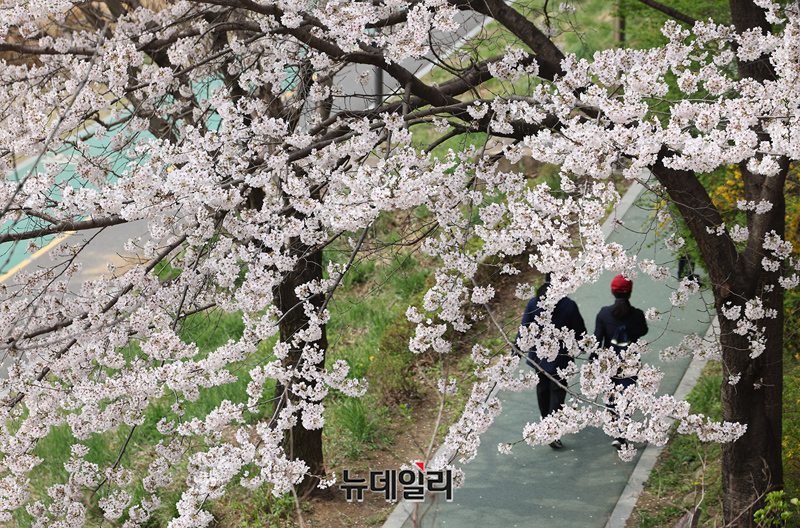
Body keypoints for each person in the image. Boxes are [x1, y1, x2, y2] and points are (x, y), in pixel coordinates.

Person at [517, 274, 586, 449]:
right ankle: (552, 429)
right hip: (561, 358)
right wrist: (584, 347)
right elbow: (579, 331)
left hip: (539, 357)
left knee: (542, 390)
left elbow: (524, 328)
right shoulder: (568, 305)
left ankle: (545, 419)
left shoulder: (533, 303)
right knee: (557, 393)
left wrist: (516, 350)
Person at [593, 274, 648, 449]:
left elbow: (597, 338)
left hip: (609, 363)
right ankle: (621, 432)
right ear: (630, 293)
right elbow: (643, 331)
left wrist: (593, 359)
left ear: (612, 292)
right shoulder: (637, 315)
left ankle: (614, 428)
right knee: (626, 396)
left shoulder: (603, 314)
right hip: (630, 363)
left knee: (611, 397)